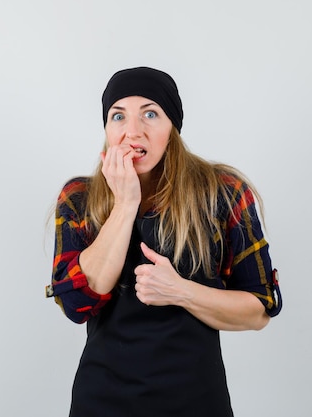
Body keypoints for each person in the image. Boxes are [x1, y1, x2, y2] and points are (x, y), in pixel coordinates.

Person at [45, 66, 282, 417]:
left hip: (197, 403)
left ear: (172, 127)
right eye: (118, 116)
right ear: (107, 128)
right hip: (102, 404)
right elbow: (76, 304)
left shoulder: (223, 193)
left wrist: (181, 291)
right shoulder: (79, 198)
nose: (132, 132)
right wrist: (125, 205)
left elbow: (260, 309)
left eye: (150, 114)